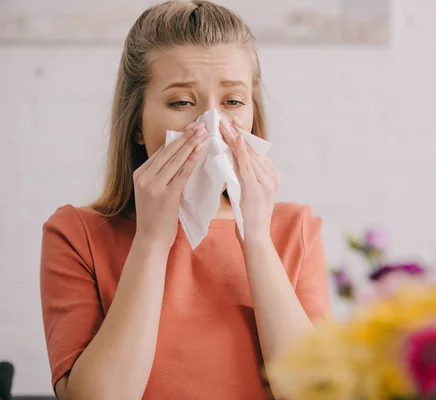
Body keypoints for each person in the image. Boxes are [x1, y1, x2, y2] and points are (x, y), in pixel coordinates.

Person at [39, 1, 331, 399]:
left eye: (232, 102)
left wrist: (258, 238)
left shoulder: (295, 230)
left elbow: (315, 394)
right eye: (181, 103)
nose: (211, 128)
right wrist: (152, 241)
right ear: (137, 123)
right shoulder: (76, 234)